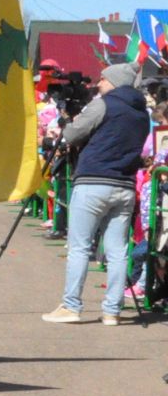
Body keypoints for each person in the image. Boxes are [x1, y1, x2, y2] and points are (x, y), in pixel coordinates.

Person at [45, 61, 150, 325]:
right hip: (124, 185)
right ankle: (112, 310)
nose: (98, 84)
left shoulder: (103, 104)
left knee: (79, 247)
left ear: (114, 82)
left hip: (93, 181)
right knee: (117, 251)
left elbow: (72, 134)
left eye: (103, 79)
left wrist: (70, 119)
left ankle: (71, 306)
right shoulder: (142, 113)